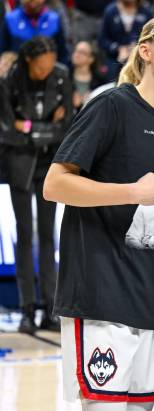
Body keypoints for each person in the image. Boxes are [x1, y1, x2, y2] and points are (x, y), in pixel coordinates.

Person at [42, 16, 154, 411]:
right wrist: (131, 192)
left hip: (150, 298)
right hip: (101, 294)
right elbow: (54, 184)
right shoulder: (111, 104)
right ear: (146, 51)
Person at [4, 36, 73, 334]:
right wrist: (43, 127)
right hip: (20, 164)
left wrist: (28, 125)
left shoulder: (61, 77)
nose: (47, 68)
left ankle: (50, 308)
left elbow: (67, 126)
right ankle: (26, 308)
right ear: (29, 60)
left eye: (50, 62)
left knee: (48, 237)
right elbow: (8, 131)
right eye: (41, 64)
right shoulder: (10, 80)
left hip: (50, 166)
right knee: (24, 235)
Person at [0, 0, 69, 65]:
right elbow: (2, 48)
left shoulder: (54, 19)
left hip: (47, 70)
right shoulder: (10, 19)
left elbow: (62, 52)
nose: (32, 1)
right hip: (17, 70)